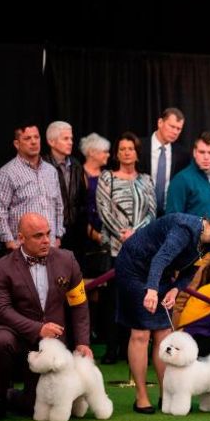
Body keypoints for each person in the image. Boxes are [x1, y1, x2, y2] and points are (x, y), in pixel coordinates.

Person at [115, 209, 210, 414]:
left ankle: (166, 394)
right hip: (134, 268)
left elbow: (191, 269)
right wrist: (152, 290)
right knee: (141, 333)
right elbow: (160, 258)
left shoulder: (208, 241)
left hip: (159, 272)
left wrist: (175, 289)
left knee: (164, 333)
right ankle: (141, 396)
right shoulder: (185, 230)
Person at [0, 213, 91, 421]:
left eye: (48, 233)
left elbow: (79, 306)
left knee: (34, 406)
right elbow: (2, 310)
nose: (46, 240)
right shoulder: (2, 267)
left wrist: (83, 343)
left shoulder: (67, 259)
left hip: (53, 343)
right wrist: (37, 328)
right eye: (38, 236)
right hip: (15, 334)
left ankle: (15, 396)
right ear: (21, 238)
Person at [0, 122, 64, 256]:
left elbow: (58, 205)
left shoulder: (51, 171)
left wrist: (58, 236)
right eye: (27, 138)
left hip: (51, 248)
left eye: (36, 137)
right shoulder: (6, 174)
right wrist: (9, 243)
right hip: (22, 251)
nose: (34, 142)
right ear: (17, 144)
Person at [79, 133, 118, 364]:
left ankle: (99, 331)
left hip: (106, 237)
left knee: (102, 289)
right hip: (86, 236)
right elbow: (79, 207)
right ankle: (87, 333)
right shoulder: (80, 174)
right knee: (86, 288)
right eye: (104, 151)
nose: (107, 155)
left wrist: (104, 234)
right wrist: (92, 233)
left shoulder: (106, 175)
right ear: (92, 152)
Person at [96, 132, 156, 259]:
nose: (126, 152)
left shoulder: (147, 180)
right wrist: (121, 234)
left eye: (131, 149)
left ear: (137, 153)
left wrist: (134, 233)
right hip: (115, 247)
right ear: (117, 154)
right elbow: (103, 210)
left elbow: (151, 214)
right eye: (122, 149)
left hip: (141, 246)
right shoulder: (107, 177)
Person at [42, 121, 86, 259]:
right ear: (51, 141)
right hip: (50, 231)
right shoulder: (42, 165)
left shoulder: (76, 165)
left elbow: (81, 198)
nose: (70, 142)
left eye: (71, 138)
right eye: (65, 138)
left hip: (75, 232)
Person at [165, 131, 210, 219]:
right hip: (192, 233)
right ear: (194, 153)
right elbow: (172, 219)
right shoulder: (180, 180)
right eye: (202, 152)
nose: (206, 157)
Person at [139, 107, 188, 216]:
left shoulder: (182, 155)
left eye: (178, 129)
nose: (175, 132)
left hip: (168, 214)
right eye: (172, 126)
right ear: (160, 122)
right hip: (141, 213)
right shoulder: (139, 147)